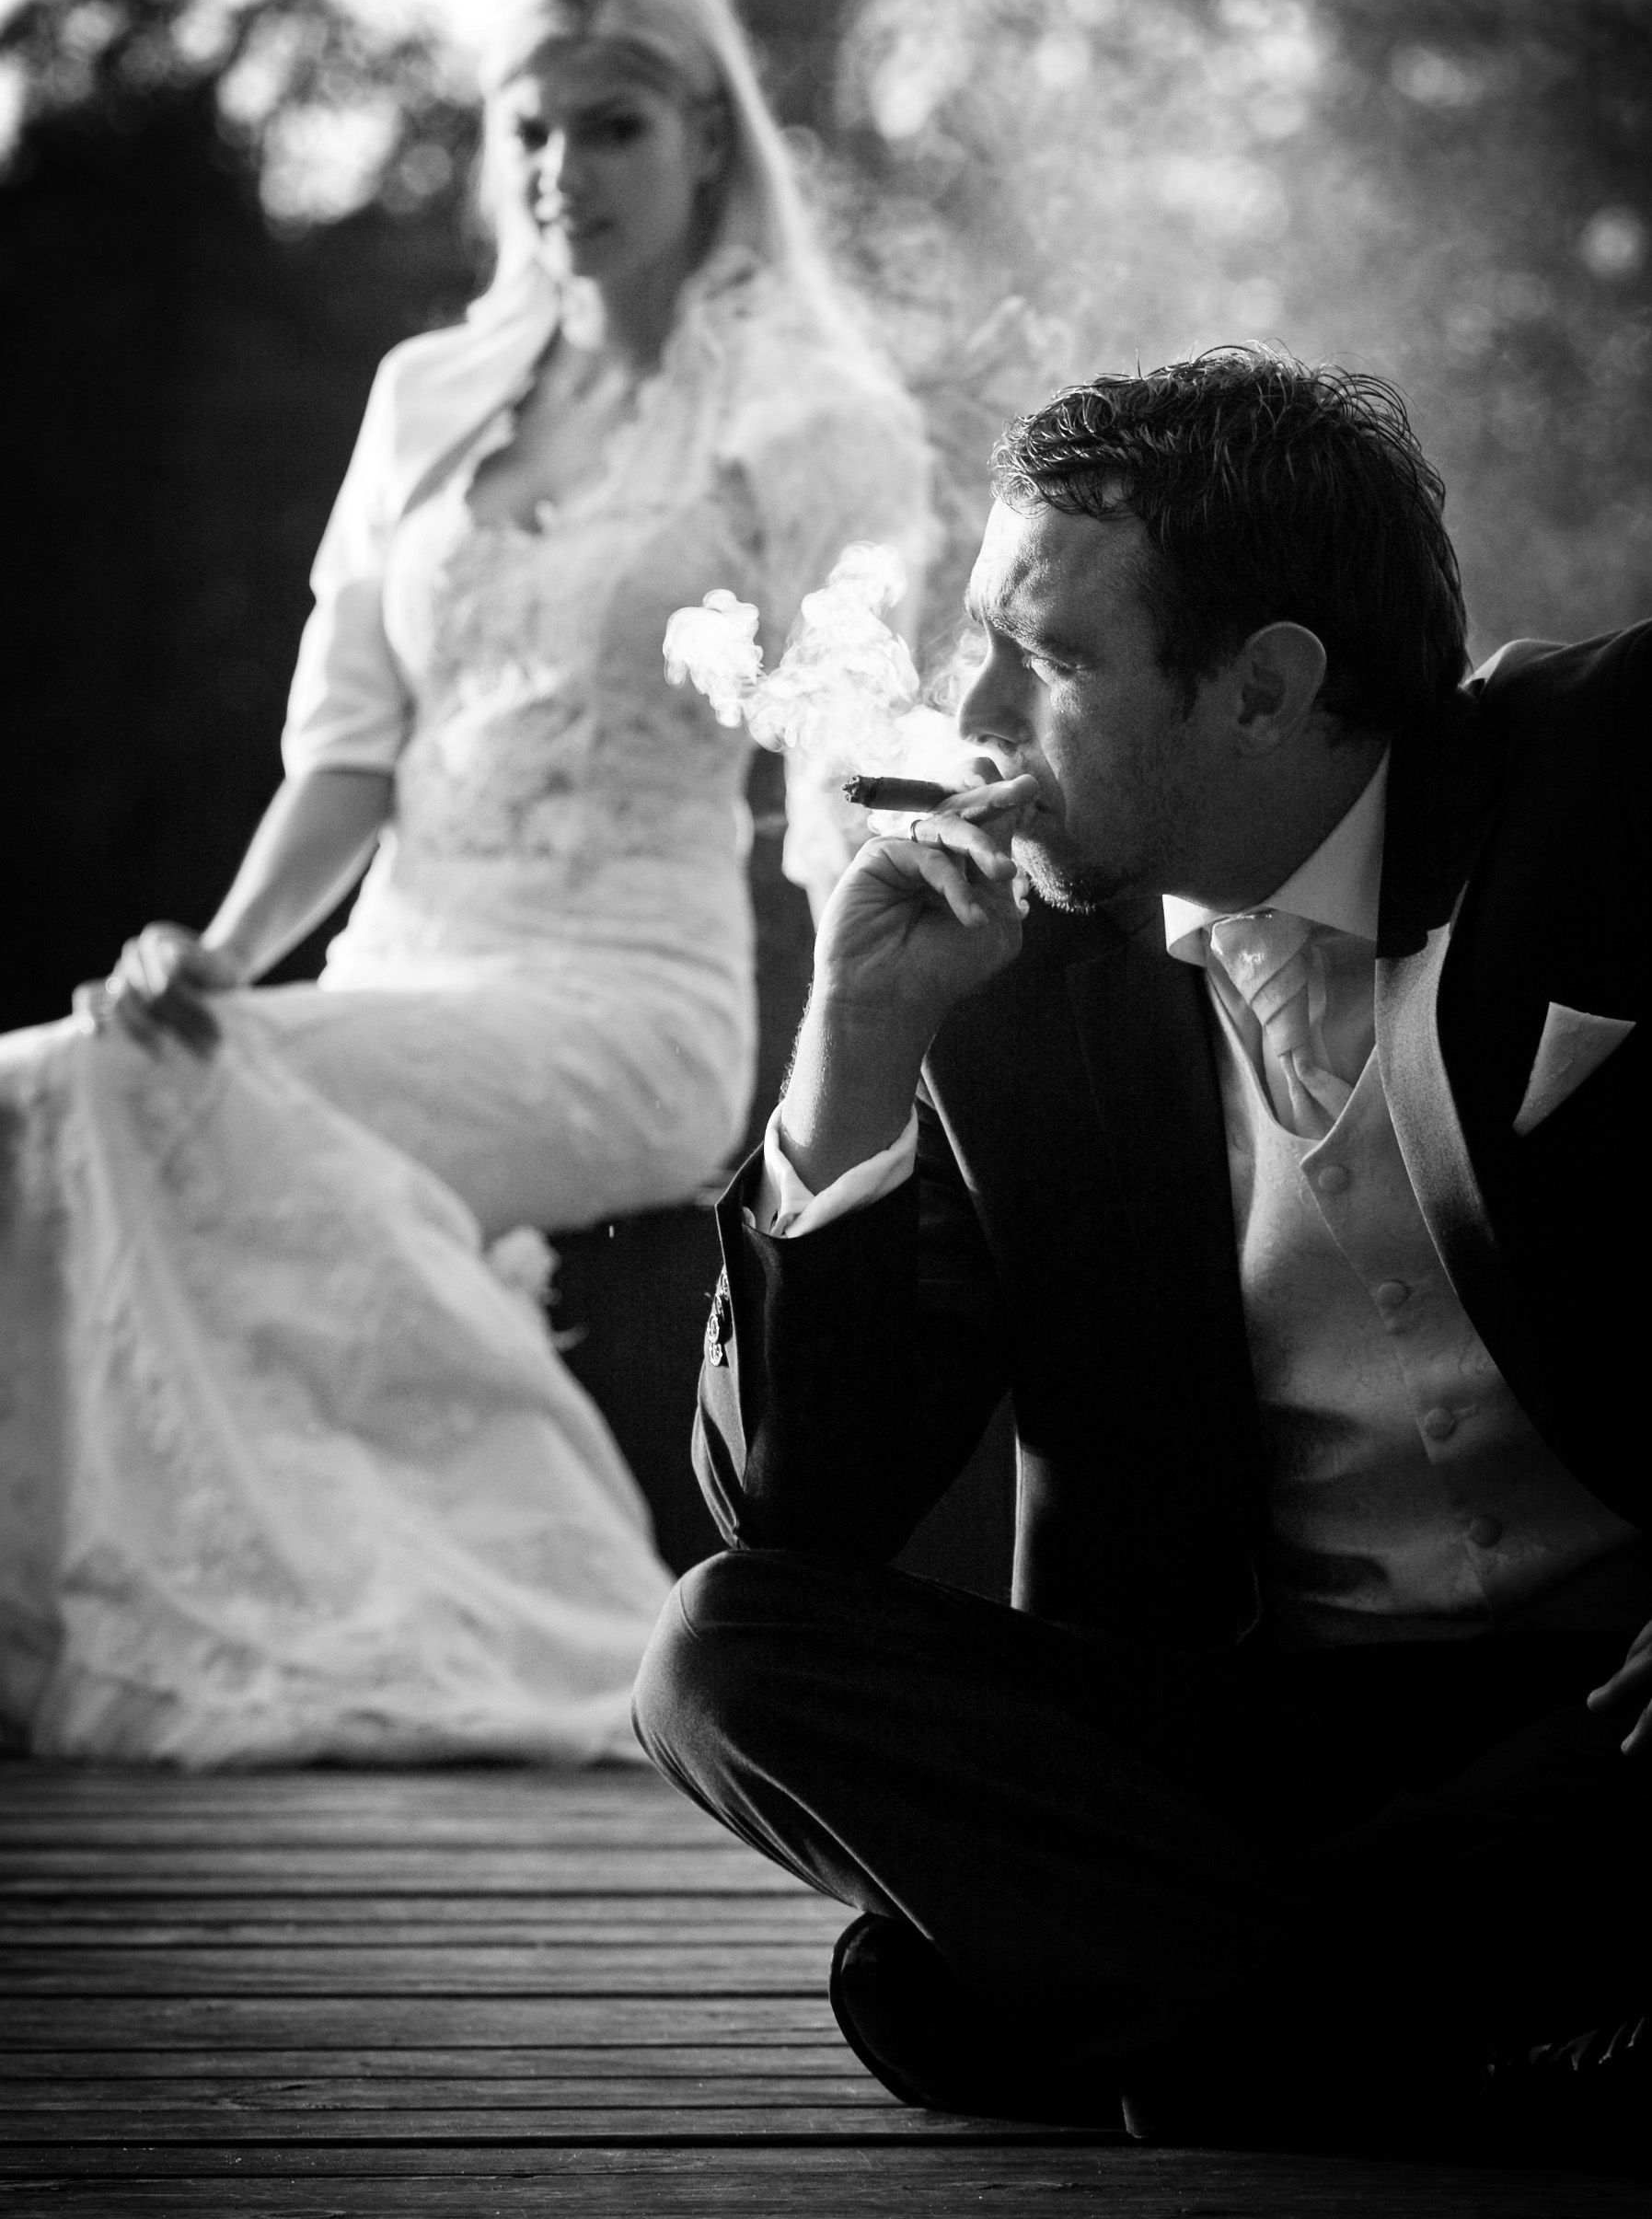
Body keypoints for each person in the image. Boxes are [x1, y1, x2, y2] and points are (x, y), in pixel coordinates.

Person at [632, 349, 1651, 2150]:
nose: (976, 712)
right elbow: (798, 1517)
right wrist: (855, 1040)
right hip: (1264, 1740)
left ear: (1264, 687)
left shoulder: (1619, 773)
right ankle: (1438, 2049)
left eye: (1046, 658)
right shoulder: (1006, 985)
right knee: (720, 1651)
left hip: (1618, 1718)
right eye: (980, 645)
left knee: (946, 1990)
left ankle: (1205, 1999)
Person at [0, 0, 930, 1767]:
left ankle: (547, 1617)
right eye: (530, 129)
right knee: (51, 1083)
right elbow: (348, 749)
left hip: (626, 1007)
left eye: (614, 125)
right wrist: (223, 956)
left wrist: (881, 1036)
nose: (562, 170)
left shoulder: (808, 420)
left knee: (100, 1102)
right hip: (394, 975)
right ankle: (133, 1611)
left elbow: (850, 760)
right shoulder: (427, 395)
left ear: (708, 141)